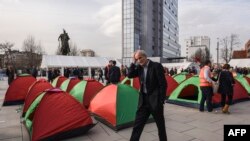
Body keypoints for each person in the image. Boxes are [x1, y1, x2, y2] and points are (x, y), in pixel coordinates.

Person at [128, 50, 167, 141]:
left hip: (155, 101)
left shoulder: (156, 66)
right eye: (137, 59)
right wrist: (132, 62)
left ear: (145, 56)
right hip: (143, 102)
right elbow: (129, 75)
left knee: (160, 126)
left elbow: (163, 84)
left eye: (140, 58)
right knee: (137, 126)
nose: (139, 60)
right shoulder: (139, 68)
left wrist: (161, 101)